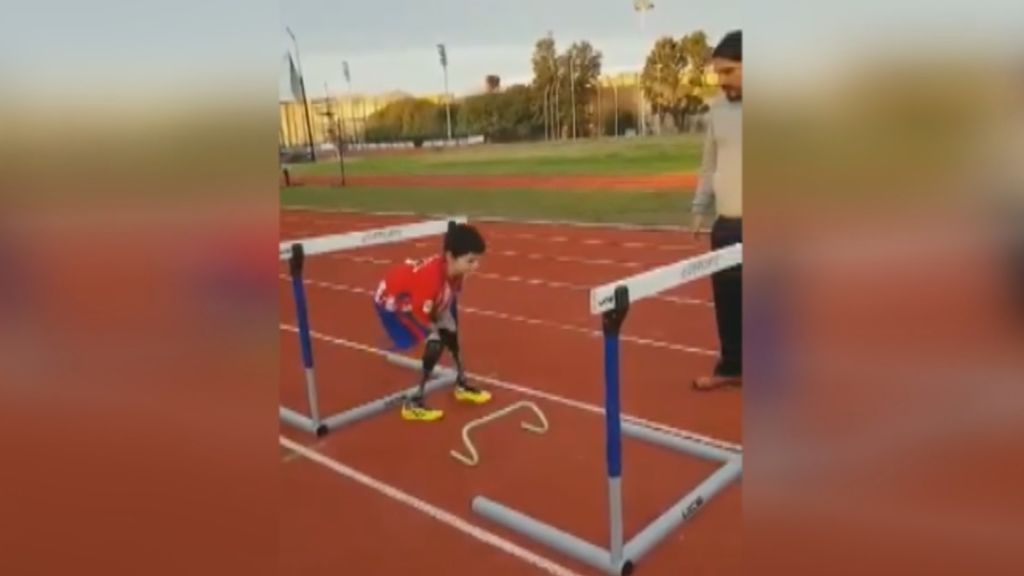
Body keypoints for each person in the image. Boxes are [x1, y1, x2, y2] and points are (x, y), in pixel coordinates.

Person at [372, 223, 493, 421]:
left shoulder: (455, 271)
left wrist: (447, 326)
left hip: (420, 297)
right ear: (450, 257)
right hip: (392, 302)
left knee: (450, 330)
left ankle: (461, 384)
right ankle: (414, 402)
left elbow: (445, 300)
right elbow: (422, 313)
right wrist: (437, 330)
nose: (475, 267)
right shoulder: (431, 281)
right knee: (437, 340)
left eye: (477, 261)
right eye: (471, 261)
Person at [691, 30, 743, 390]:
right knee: (727, 301)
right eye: (718, 74)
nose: (721, 81)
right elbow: (709, 163)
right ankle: (732, 367)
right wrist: (700, 206)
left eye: (728, 72)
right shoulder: (717, 109)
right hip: (727, 223)